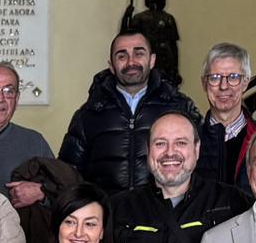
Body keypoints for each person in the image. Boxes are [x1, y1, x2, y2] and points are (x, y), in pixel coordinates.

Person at [112, 112, 250, 243]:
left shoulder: (232, 203)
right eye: (160, 143)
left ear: (196, 149)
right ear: (148, 151)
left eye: (181, 143)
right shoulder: (119, 208)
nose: (170, 152)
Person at [58, 31, 199, 195]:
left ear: (152, 60)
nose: (131, 62)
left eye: (139, 53)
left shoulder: (180, 108)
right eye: (122, 56)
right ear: (111, 65)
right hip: (108, 214)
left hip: (164, 214)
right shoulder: (89, 114)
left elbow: (201, 166)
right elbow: (67, 174)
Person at [0, 61, 54, 199]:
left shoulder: (35, 142)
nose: (0, 98)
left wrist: (42, 192)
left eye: (8, 91)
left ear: (17, 100)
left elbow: (61, 193)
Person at [194, 43, 256, 201]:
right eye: (215, 78)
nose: (223, 86)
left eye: (233, 77)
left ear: (245, 83)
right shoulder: (188, 141)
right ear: (204, 84)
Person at [125, 0, 181, 87]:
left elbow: (173, 45)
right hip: (147, 58)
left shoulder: (168, 18)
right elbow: (127, 39)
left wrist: (175, 68)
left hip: (165, 60)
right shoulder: (140, 18)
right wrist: (126, 18)